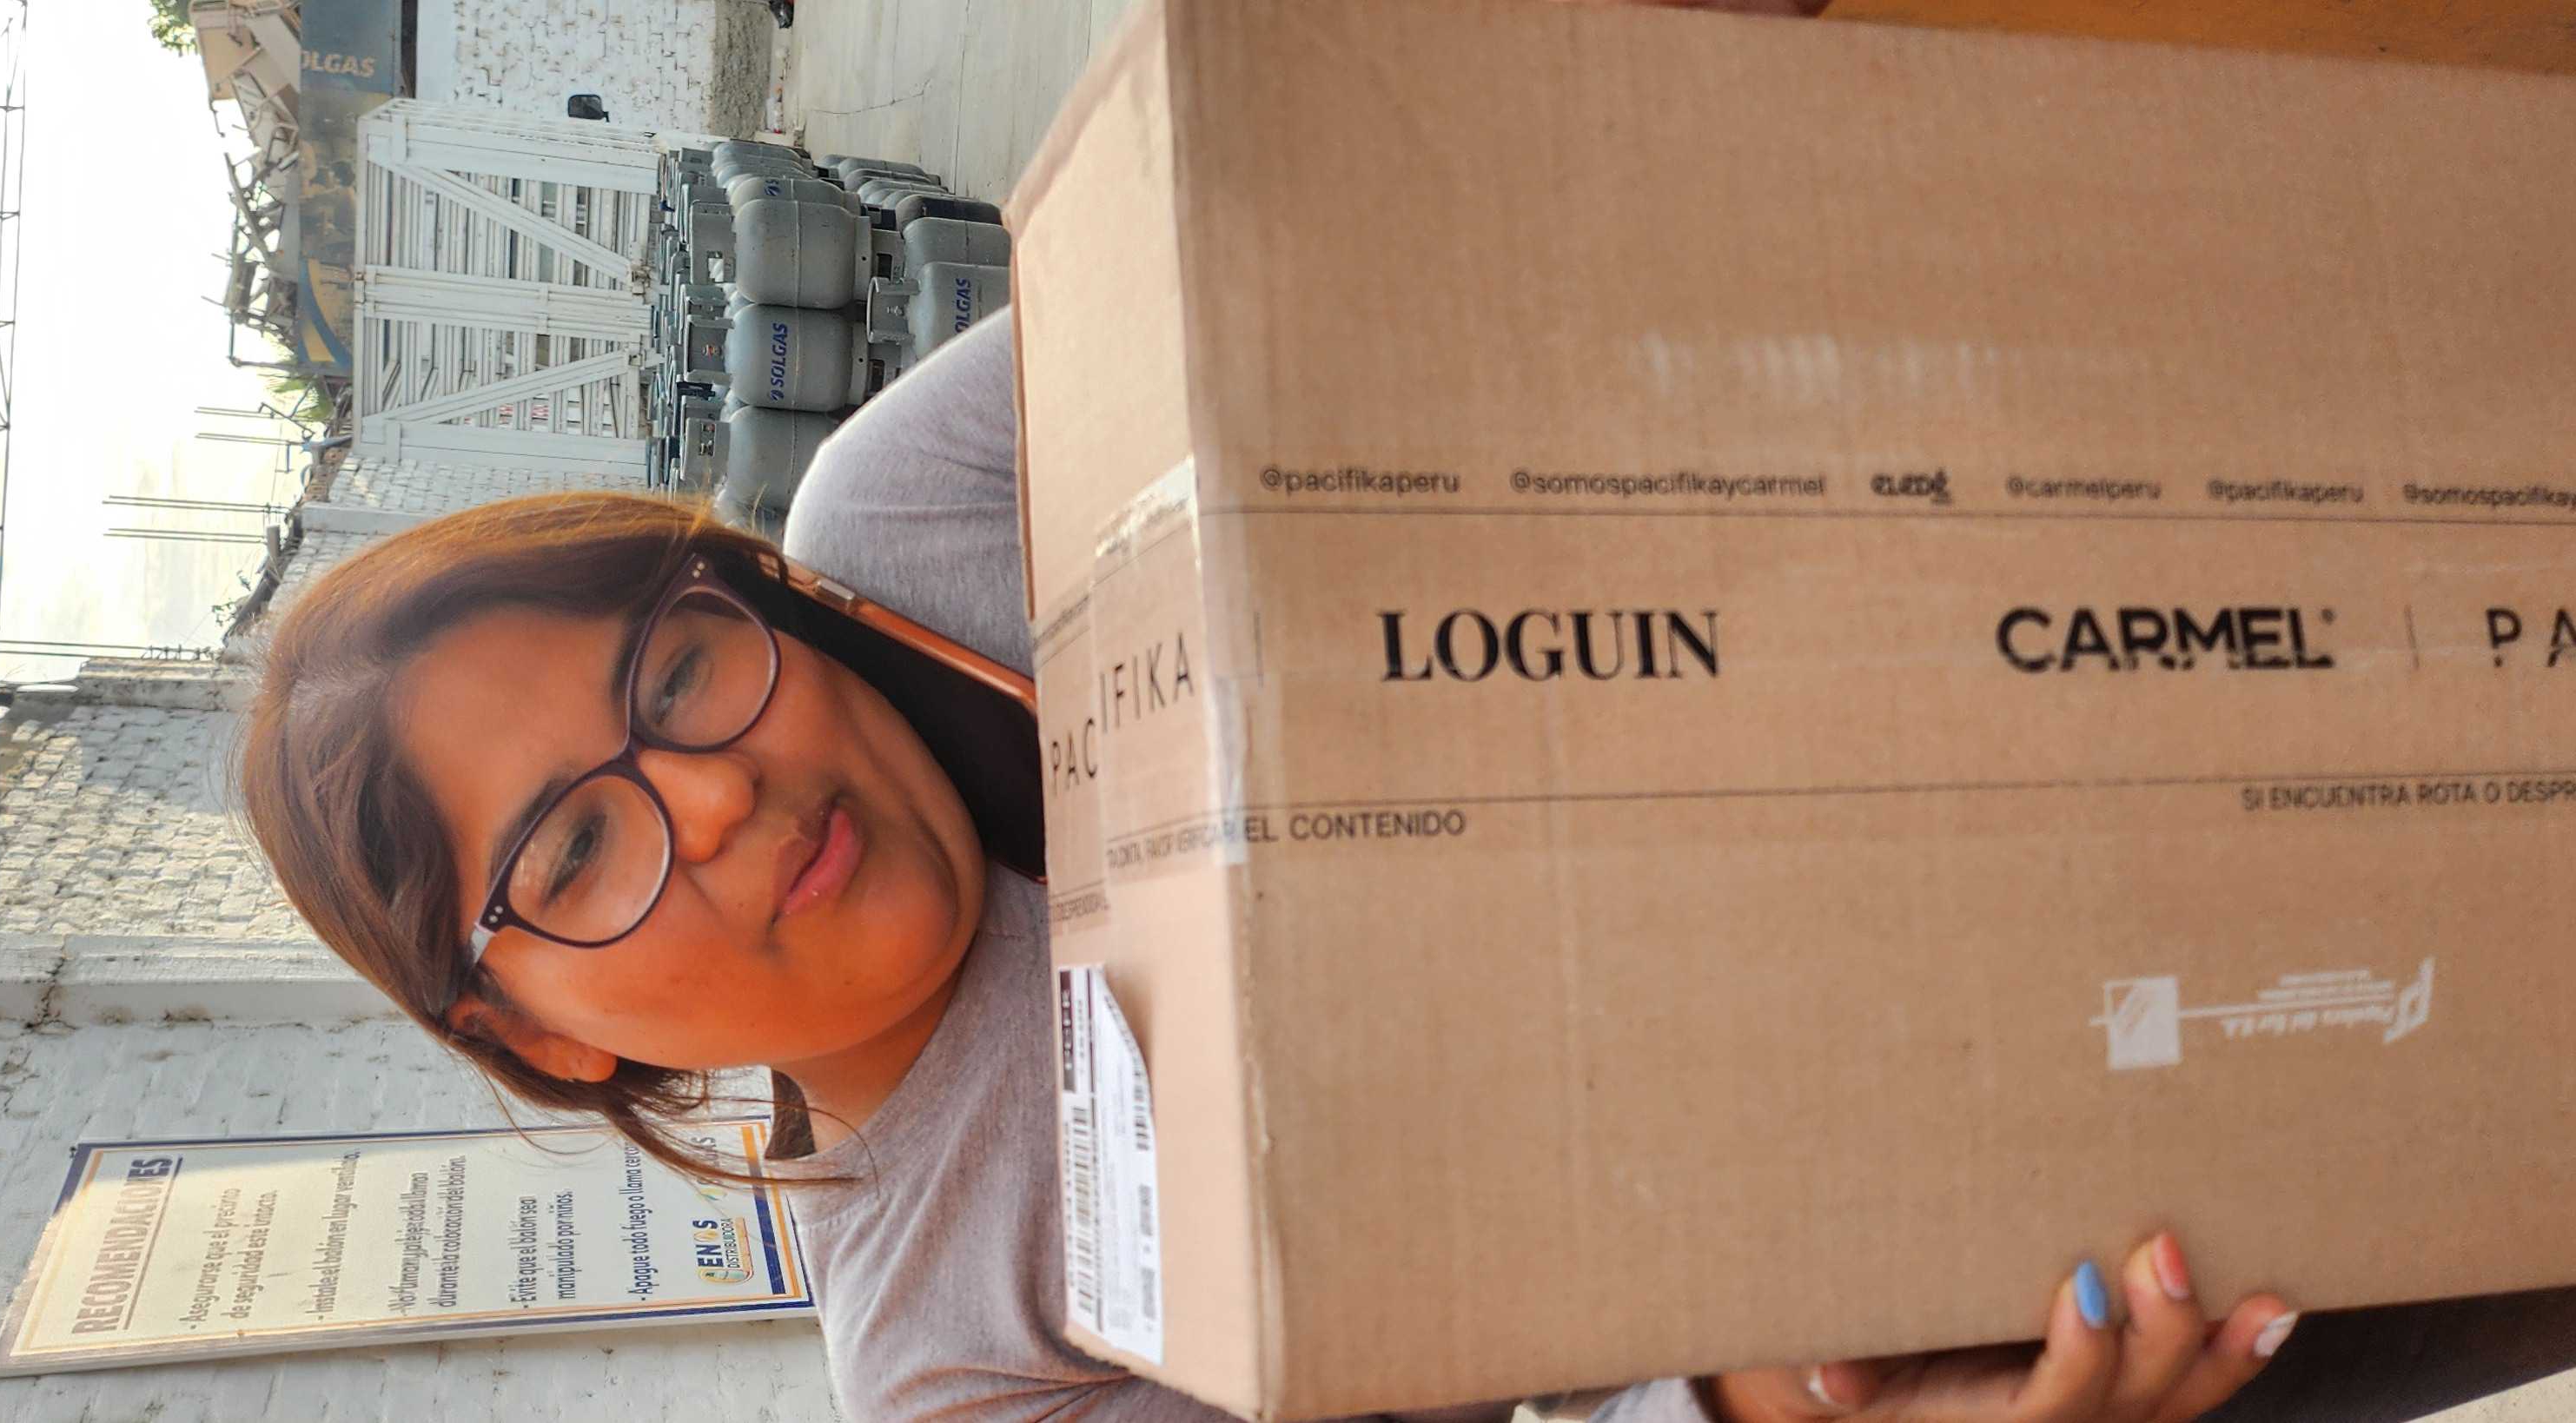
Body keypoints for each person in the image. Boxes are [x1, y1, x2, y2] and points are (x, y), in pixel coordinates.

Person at [238, 305, 2289, 1423]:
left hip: (2110, 599)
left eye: (677, 672)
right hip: (2143, 1244)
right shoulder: (969, 1370)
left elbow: (1371, 235)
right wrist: (1782, 1402)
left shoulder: (932, 522)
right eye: (581, 844)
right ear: (541, 1035)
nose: (711, 796)